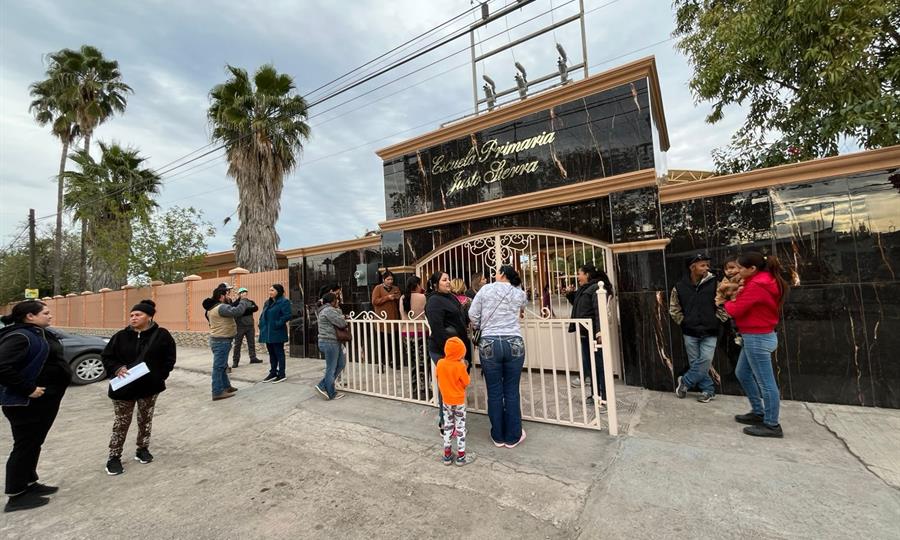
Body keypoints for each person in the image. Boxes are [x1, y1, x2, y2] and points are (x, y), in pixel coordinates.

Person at [0, 301, 70, 512]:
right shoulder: (20, 336)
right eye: (45, 313)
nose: (50, 316)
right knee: (25, 445)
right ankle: (16, 494)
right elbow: (2, 366)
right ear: (30, 316)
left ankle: (29, 482)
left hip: (43, 402)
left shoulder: (36, 332)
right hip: (27, 403)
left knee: (33, 443)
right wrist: (28, 388)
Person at [101, 300, 177, 476]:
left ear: (149, 316)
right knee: (121, 423)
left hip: (149, 387)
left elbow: (169, 359)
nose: (133, 318)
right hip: (123, 389)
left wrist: (160, 376)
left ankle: (142, 449)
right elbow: (106, 356)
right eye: (131, 315)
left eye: (138, 315)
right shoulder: (120, 336)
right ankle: (114, 457)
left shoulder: (161, 335)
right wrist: (117, 368)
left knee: (145, 419)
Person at [725, 252, 789, 438]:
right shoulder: (763, 280)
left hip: (757, 337)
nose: (737, 270)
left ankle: (771, 424)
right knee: (742, 373)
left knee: (766, 383)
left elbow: (735, 309)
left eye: (740, 268)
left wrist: (726, 301)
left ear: (752, 269)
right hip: (756, 335)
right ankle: (758, 411)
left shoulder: (757, 285)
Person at [469, 265, 529, 448]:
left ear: (502, 274)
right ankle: (513, 436)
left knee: (494, 391)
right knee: (511, 390)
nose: (494, 274)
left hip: (489, 343)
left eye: (497, 272)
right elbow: (523, 305)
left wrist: (480, 326)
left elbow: (472, 314)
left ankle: (498, 435)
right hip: (514, 342)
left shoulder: (486, 289)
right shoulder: (519, 293)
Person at [669, 253, 720, 404]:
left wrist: (717, 320)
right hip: (690, 331)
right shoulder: (679, 286)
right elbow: (674, 308)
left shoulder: (715, 282)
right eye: (702, 265)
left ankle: (685, 381)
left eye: (706, 265)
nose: (706, 268)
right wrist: (684, 322)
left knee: (705, 359)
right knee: (695, 361)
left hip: (710, 330)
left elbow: (724, 302)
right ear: (692, 267)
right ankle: (708, 390)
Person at [425, 271, 472, 429]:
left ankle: (455, 419)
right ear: (435, 284)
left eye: (449, 279)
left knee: (457, 385)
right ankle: (445, 422)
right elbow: (438, 330)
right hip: (443, 350)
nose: (448, 282)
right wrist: (453, 356)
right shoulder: (434, 302)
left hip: (458, 349)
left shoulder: (451, 297)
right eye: (444, 280)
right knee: (447, 387)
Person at [565, 264, 614, 410]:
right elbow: (580, 305)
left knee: (599, 366)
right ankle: (594, 395)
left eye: (579, 273)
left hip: (593, 334)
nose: (577, 276)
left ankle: (604, 398)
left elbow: (599, 312)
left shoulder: (597, 289)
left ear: (587, 274)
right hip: (585, 334)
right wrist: (569, 295)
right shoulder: (585, 289)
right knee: (592, 367)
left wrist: (599, 332)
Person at [202, 287, 246, 400]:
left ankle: (226, 387)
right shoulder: (221, 307)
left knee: (222, 366)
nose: (229, 297)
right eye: (227, 295)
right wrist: (243, 300)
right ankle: (217, 392)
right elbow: (237, 311)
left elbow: (231, 308)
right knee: (218, 367)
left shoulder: (211, 308)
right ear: (221, 296)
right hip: (221, 341)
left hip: (218, 340)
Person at [436, 336, 471, 466]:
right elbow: (466, 382)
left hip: (446, 401)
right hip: (459, 402)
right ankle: (461, 456)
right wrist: (464, 368)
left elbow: (438, 376)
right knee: (460, 427)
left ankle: (447, 455)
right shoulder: (459, 366)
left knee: (448, 426)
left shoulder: (440, 363)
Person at [315, 292, 348, 400]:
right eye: (336, 299)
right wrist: (340, 312)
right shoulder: (329, 310)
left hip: (332, 341)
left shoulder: (326, 310)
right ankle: (331, 392)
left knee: (341, 363)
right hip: (329, 342)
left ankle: (322, 385)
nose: (338, 301)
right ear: (332, 301)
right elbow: (342, 323)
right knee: (331, 368)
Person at [399, 276, 428, 397]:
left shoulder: (402, 298)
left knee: (411, 362)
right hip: (420, 332)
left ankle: (414, 387)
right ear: (416, 285)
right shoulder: (422, 297)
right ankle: (423, 388)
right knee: (422, 362)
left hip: (406, 333)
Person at [259, 284, 292, 384]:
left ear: (278, 291)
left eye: (272, 290)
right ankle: (273, 372)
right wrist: (261, 323)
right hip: (267, 332)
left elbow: (288, 315)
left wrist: (277, 324)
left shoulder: (284, 302)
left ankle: (281, 374)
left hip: (277, 331)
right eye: (269, 290)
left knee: (279, 353)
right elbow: (263, 314)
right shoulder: (267, 302)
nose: (270, 292)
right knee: (271, 353)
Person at [716, 258, 744, 346]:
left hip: (741, 309)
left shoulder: (742, 278)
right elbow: (719, 296)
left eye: (732, 267)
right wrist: (720, 304)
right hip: (731, 310)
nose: (729, 271)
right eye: (726, 269)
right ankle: (738, 337)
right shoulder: (724, 281)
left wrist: (728, 287)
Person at [231, 288, 260, 367]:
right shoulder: (236, 303)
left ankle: (253, 358)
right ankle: (235, 361)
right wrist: (248, 310)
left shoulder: (251, 302)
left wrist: (244, 311)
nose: (244, 294)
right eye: (242, 292)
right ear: (239, 294)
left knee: (251, 343)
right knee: (237, 344)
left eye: (245, 292)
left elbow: (256, 308)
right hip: (240, 326)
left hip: (250, 326)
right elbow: (235, 311)